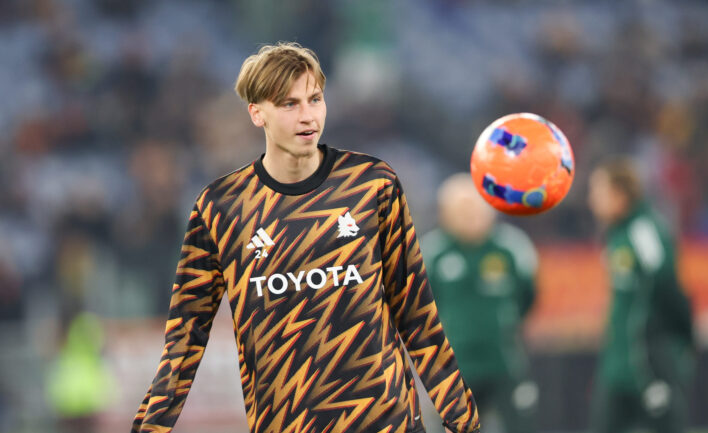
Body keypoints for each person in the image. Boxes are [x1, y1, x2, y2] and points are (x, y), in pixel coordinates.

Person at [132, 42, 480, 433]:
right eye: (289, 104)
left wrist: (462, 421)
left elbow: (417, 315)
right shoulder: (222, 207)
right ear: (256, 113)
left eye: (315, 99)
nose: (308, 116)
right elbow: (185, 338)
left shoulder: (372, 184)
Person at [421, 173, 538, 433]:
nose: (470, 216)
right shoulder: (432, 254)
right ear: (445, 214)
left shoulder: (512, 248)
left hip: (504, 360)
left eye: (475, 208)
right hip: (453, 365)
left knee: (519, 424)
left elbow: (528, 296)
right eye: (462, 210)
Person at [587, 158, 694, 433]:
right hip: (618, 366)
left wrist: (678, 345)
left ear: (620, 194)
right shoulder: (616, 234)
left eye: (598, 192)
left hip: (650, 363)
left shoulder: (644, 231)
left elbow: (668, 289)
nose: (592, 201)